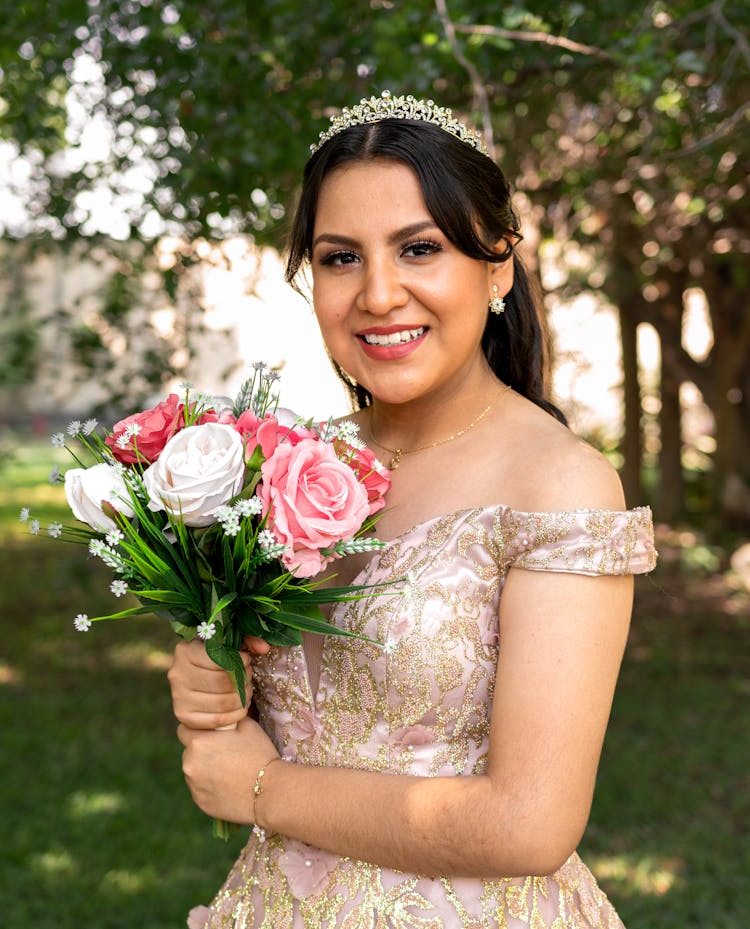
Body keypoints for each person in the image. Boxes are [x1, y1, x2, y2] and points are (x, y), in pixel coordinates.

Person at [168, 92, 657, 928]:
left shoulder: (559, 486)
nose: (379, 294)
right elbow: (266, 703)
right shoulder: (287, 464)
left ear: (498, 263)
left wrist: (262, 787)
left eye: (419, 248)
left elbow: (529, 823)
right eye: (340, 257)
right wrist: (209, 671)